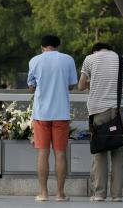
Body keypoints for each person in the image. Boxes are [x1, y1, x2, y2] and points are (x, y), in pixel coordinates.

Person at [78, 42, 123, 202]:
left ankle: (99, 194)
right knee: (119, 153)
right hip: (118, 111)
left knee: (100, 153)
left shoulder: (90, 59)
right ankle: (117, 195)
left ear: (95, 50)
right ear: (111, 49)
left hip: (98, 112)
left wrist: (92, 82)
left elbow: (81, 85)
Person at [27, 35, 78, 202]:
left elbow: (31, 87)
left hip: (41, 113)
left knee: (43, 153)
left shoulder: (34, 61)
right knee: (60, 154)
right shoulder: (68, 60)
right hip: (61, 113)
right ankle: (60, 193)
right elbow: (71, 85)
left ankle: (43, 193)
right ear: (59, 45)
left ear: (42, 47)